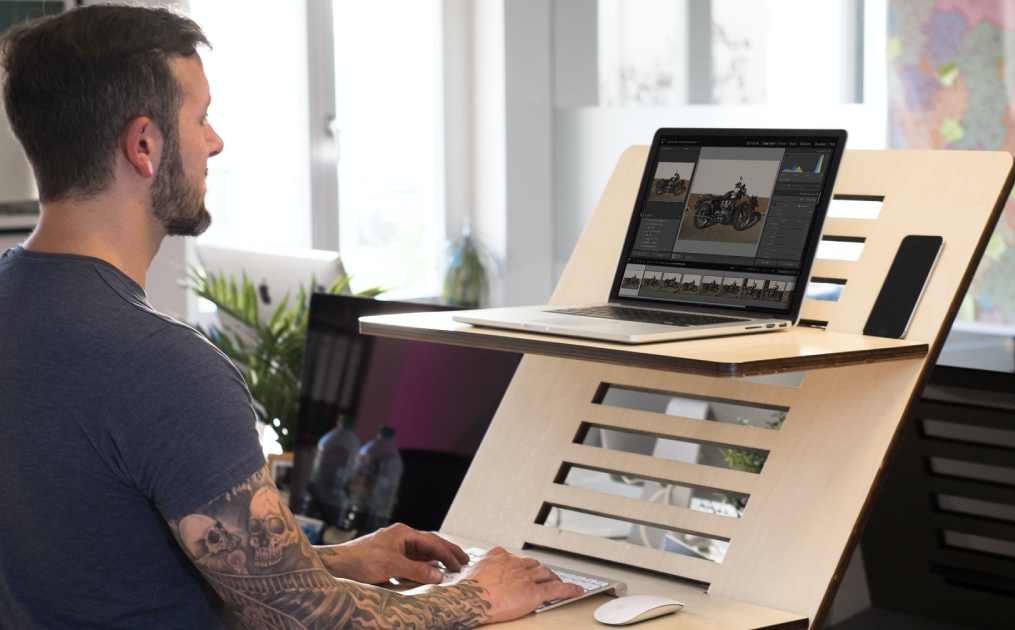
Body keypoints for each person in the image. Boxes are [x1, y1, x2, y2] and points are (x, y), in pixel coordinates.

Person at [0, 5, 580, 629]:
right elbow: (310, 621)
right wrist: (480, 594)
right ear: (143, 145)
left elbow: (108, 562)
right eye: (200, 118)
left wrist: (333, 561)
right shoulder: (162, 367)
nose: (215, 142)